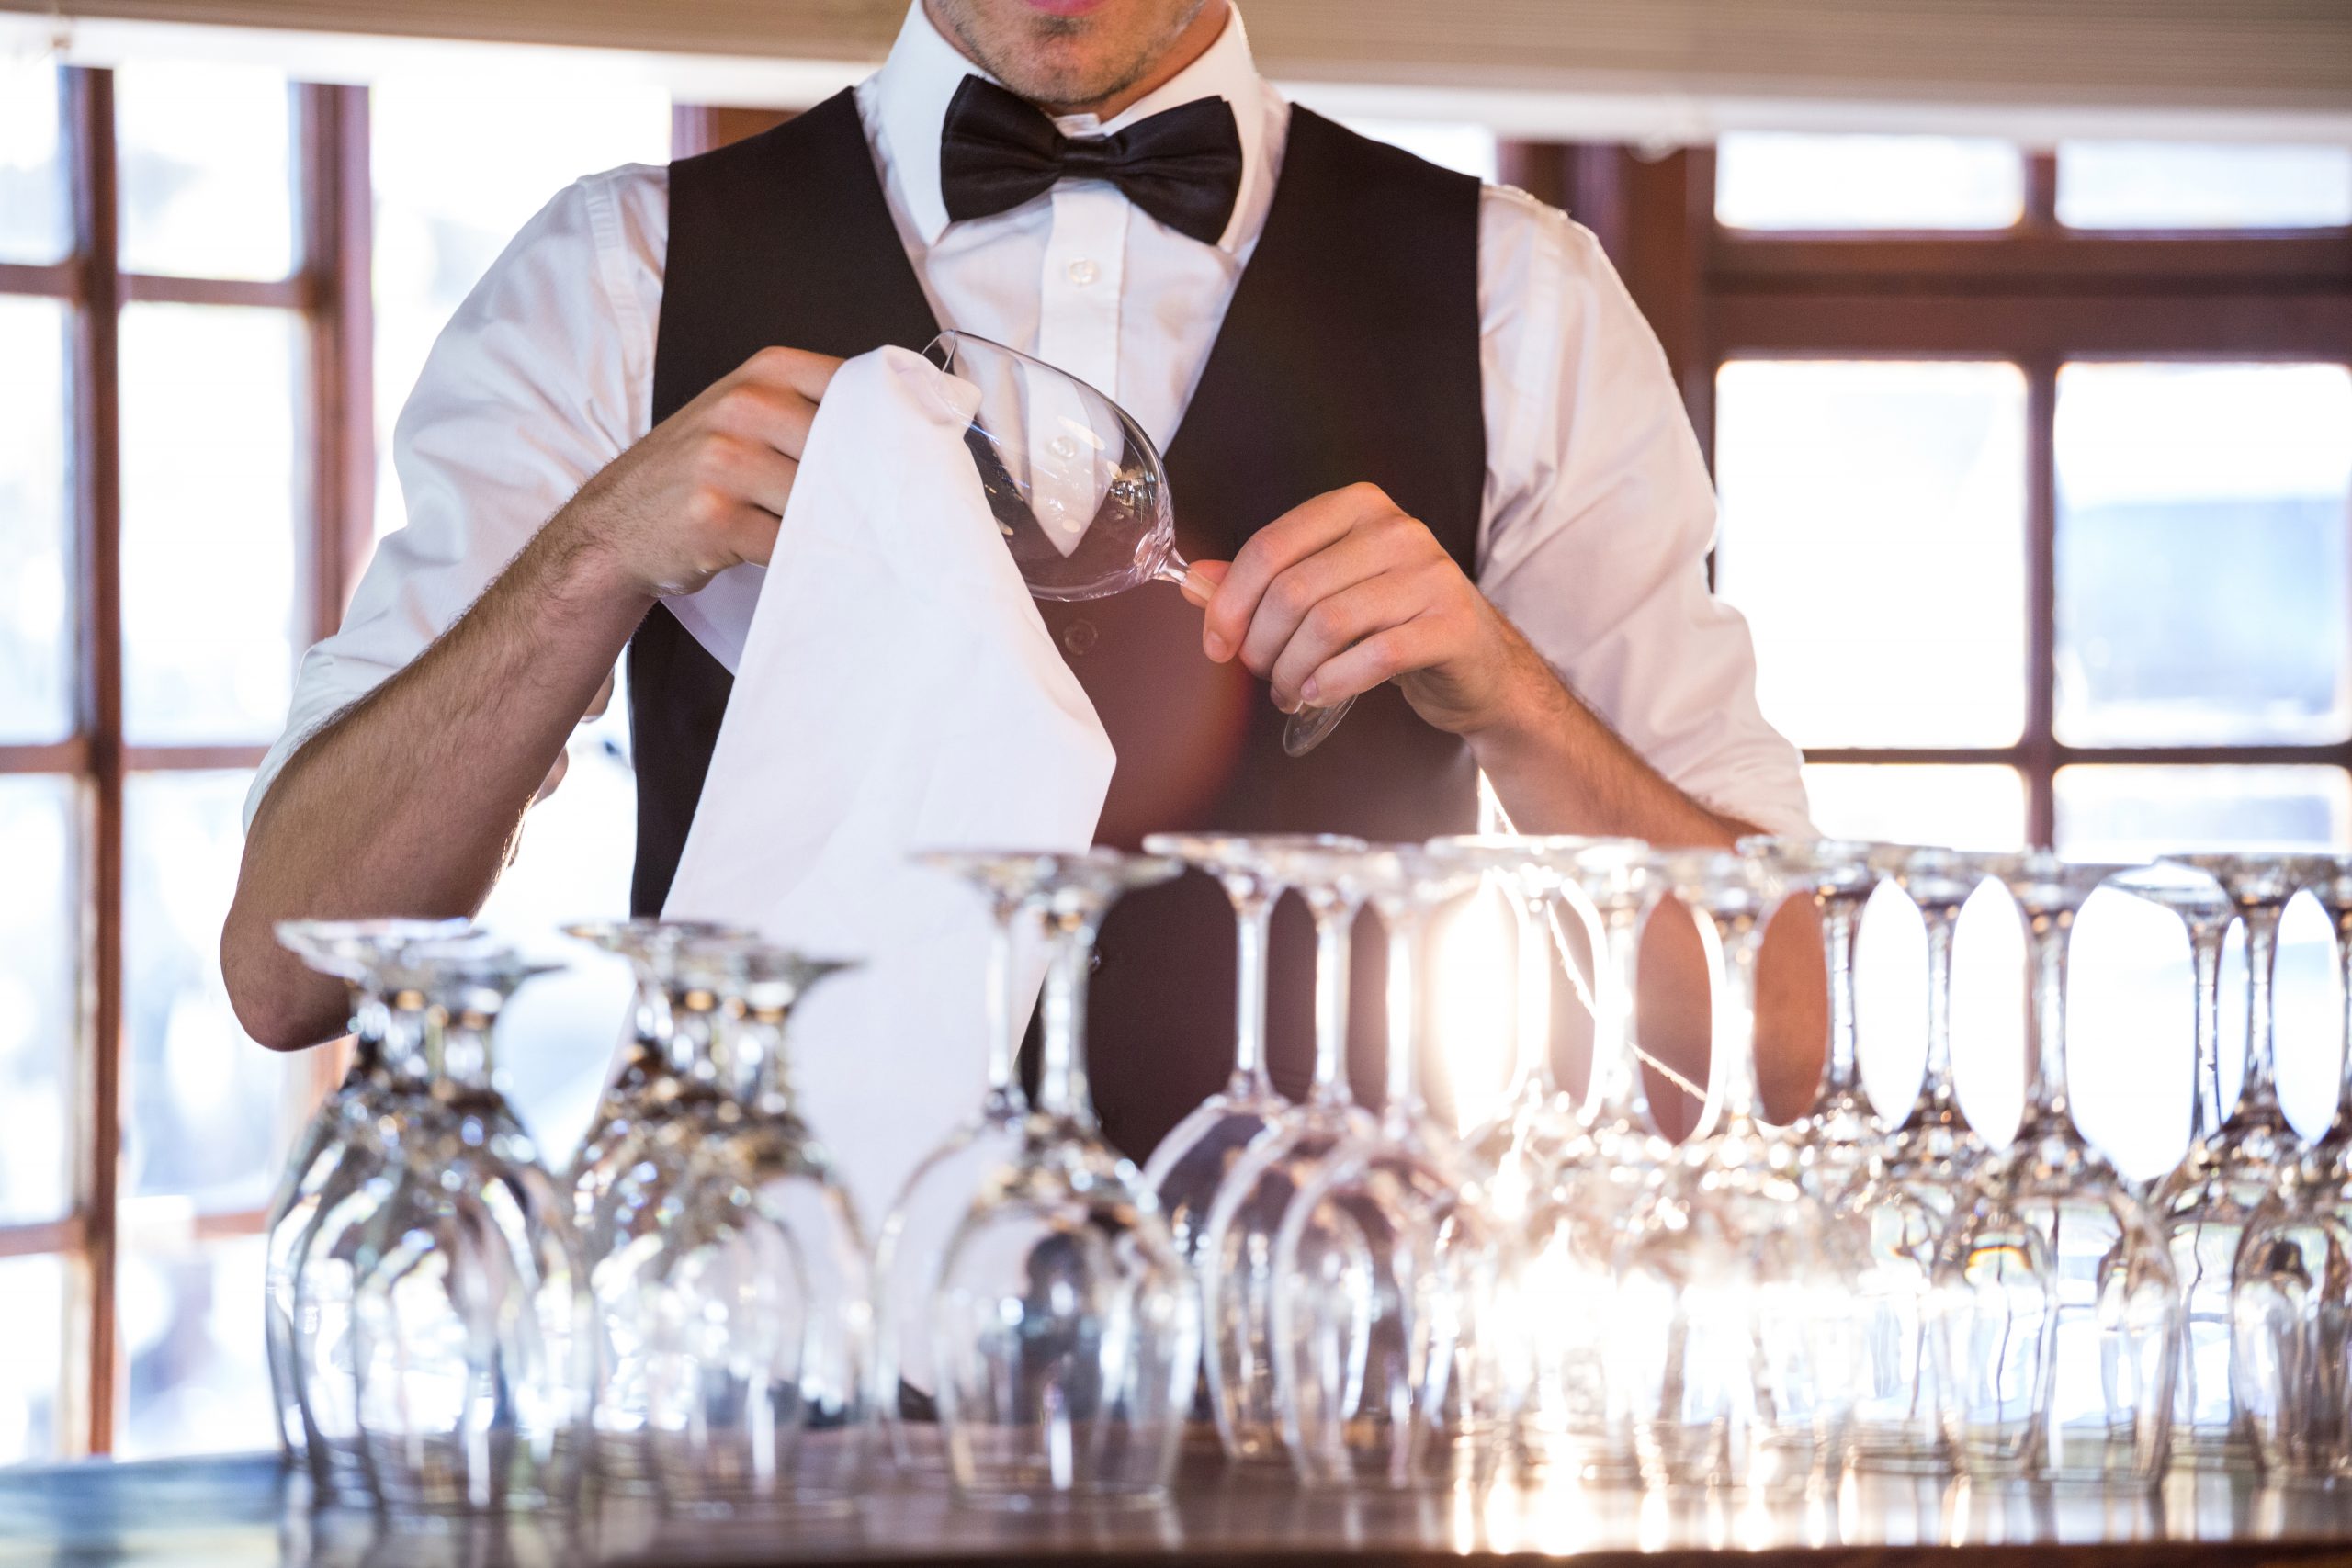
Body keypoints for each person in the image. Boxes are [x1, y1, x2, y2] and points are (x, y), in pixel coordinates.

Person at [221, 0, 1822, 1156]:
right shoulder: (609, 281)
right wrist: (592, 560)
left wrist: (1512, 697)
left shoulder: (1519, 302)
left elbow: (1786, 1039)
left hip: (1322, 1404)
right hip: (779, 1410)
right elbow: (291, 968)